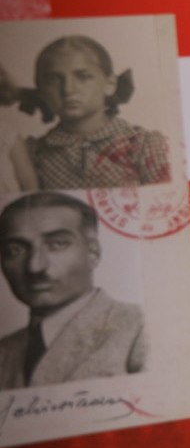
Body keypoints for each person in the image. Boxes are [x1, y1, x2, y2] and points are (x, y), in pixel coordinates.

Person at [0, 191, 146, 389]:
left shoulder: (140, 328)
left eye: (58, 244)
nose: (34, 267)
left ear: (93, 253)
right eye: (15, 250)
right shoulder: (5, 349)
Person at [14, 35, 169, 190]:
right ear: (41, 91)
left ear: (110, 84)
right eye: (54, 80)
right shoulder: (32, 154)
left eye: (83, 77)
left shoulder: (142, 145)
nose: (67, 89)